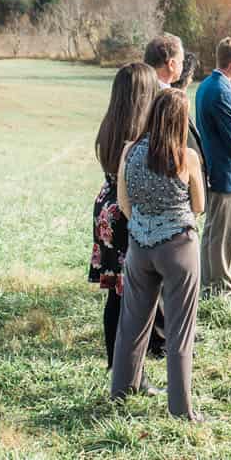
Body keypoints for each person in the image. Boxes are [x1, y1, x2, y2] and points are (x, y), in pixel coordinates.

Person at [112, 89, 206, 421]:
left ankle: (121, 391)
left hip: (139, 246)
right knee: (180, 330)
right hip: (178, 246)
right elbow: (199, 206)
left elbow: (124, 203)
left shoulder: (129, 152)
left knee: (132, 323)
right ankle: (181, 410)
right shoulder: (187, 157)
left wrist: (143, 222)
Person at [89, 62, 165, 382]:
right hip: (127, 214)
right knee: (135, 299)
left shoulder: (111, 127)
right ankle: (134, 374)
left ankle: (115, 366)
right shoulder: (137, 139)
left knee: (116, 295)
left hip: (106, 212)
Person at [196, 38, 231, 298]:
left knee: (211, 231)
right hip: (226, 172)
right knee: (222, 234)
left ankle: (208, 283)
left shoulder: (205, 85)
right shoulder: (222, 90)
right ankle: (221, 288)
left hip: (212, 168)